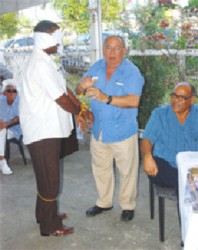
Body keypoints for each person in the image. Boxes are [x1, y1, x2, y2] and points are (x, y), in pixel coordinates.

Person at [19, 20, 93, 237]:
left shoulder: (46, 61)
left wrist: (80, 108)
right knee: (50, 179)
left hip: (49, 129)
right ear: (45, 39)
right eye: (57, 39)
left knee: (45, 176)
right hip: (42, 131)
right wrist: (78, 112)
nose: (60, 44)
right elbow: (61, 99)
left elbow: (65, 89)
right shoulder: (40, 64)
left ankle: (44, 214)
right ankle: (49, 226)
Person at [76, 35, 144, 221]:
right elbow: (78, 90)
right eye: (108, 47)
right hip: (99, 131)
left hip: (123, 131)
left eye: (116, 48)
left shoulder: (132, 72)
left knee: (127, 171)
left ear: (124, 50)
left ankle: (128, 205)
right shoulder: (96, 67)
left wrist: (106, 98)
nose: (112, 52)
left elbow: (133, 101)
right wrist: (81, 86)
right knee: (100, 168)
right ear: (103, 49)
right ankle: (104, 202)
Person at [141, 82, 198, 192]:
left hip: (193, 165)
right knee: (190, 185)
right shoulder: (159, 114)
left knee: (191, 183)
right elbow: (147, 139)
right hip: (164, 164)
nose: (176, 100)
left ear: (192, 100)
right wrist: (147, 156)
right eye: (174, 95)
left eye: (181, 97)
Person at [0, 79, 21, 175]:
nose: (12, 93)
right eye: (9, 91)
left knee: (2, 131)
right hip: (1, 127)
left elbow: (18, 118)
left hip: (14, 130)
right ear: (5, 92)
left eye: (14, 91)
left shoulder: (19, 101)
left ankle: (2, 161)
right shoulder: (1, 100)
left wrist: (5, 124)